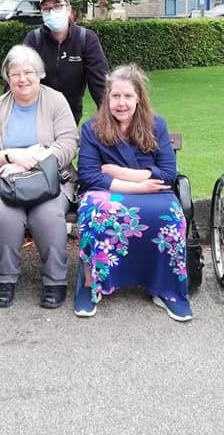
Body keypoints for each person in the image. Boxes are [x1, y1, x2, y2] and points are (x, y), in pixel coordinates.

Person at [75, 64, 192, 322]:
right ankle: (90, 284)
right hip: (109, 192)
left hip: (152, 192)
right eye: (115, 96)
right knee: (94, 215)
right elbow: (89, 176)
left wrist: (119, 171)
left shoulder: (156, 125)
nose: (121, 103)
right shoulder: (92, 128)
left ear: (138, 97)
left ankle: (166, 290)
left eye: (128, 96)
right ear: (107, 98)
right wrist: (139, 185)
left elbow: (168, 174)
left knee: (170, 218)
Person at [0, 45, 78, 309]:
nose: (22, 79)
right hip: (6, 182)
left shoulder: (56, 101)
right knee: (4, 214)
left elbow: (68, 143)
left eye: (28, 72)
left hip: (51, 180)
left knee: (48, 214)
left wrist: (31, 161)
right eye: (15, 73)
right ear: (7, 77)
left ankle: (56, 280)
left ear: (39, 73)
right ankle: (5, 278)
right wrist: (10, 157)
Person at [22, 0, 109, 123]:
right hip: (37, 115)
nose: (52, 12)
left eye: (57, 6)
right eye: (46, 9)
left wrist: (109, 118)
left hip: (70, 115)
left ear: (68, 9)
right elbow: (18, 76)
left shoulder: (86, 39)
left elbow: (101, 84)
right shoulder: (34, 39)